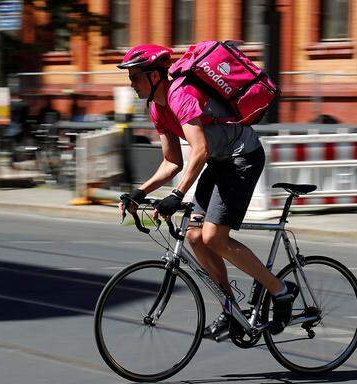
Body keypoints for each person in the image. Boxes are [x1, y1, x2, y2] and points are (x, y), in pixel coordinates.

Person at [117, 44, 298, 339]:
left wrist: (176, 195)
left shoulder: (181, 96)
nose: (131, 83)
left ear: (153, 76)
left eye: (135, 76)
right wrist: (139, 192)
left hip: (242, 157)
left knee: (214, 236)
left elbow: (198, 150)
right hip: (218, 161)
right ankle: (232, 310)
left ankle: (281, 291)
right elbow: (172, 161)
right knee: (193, 236)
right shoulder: (156, 107)